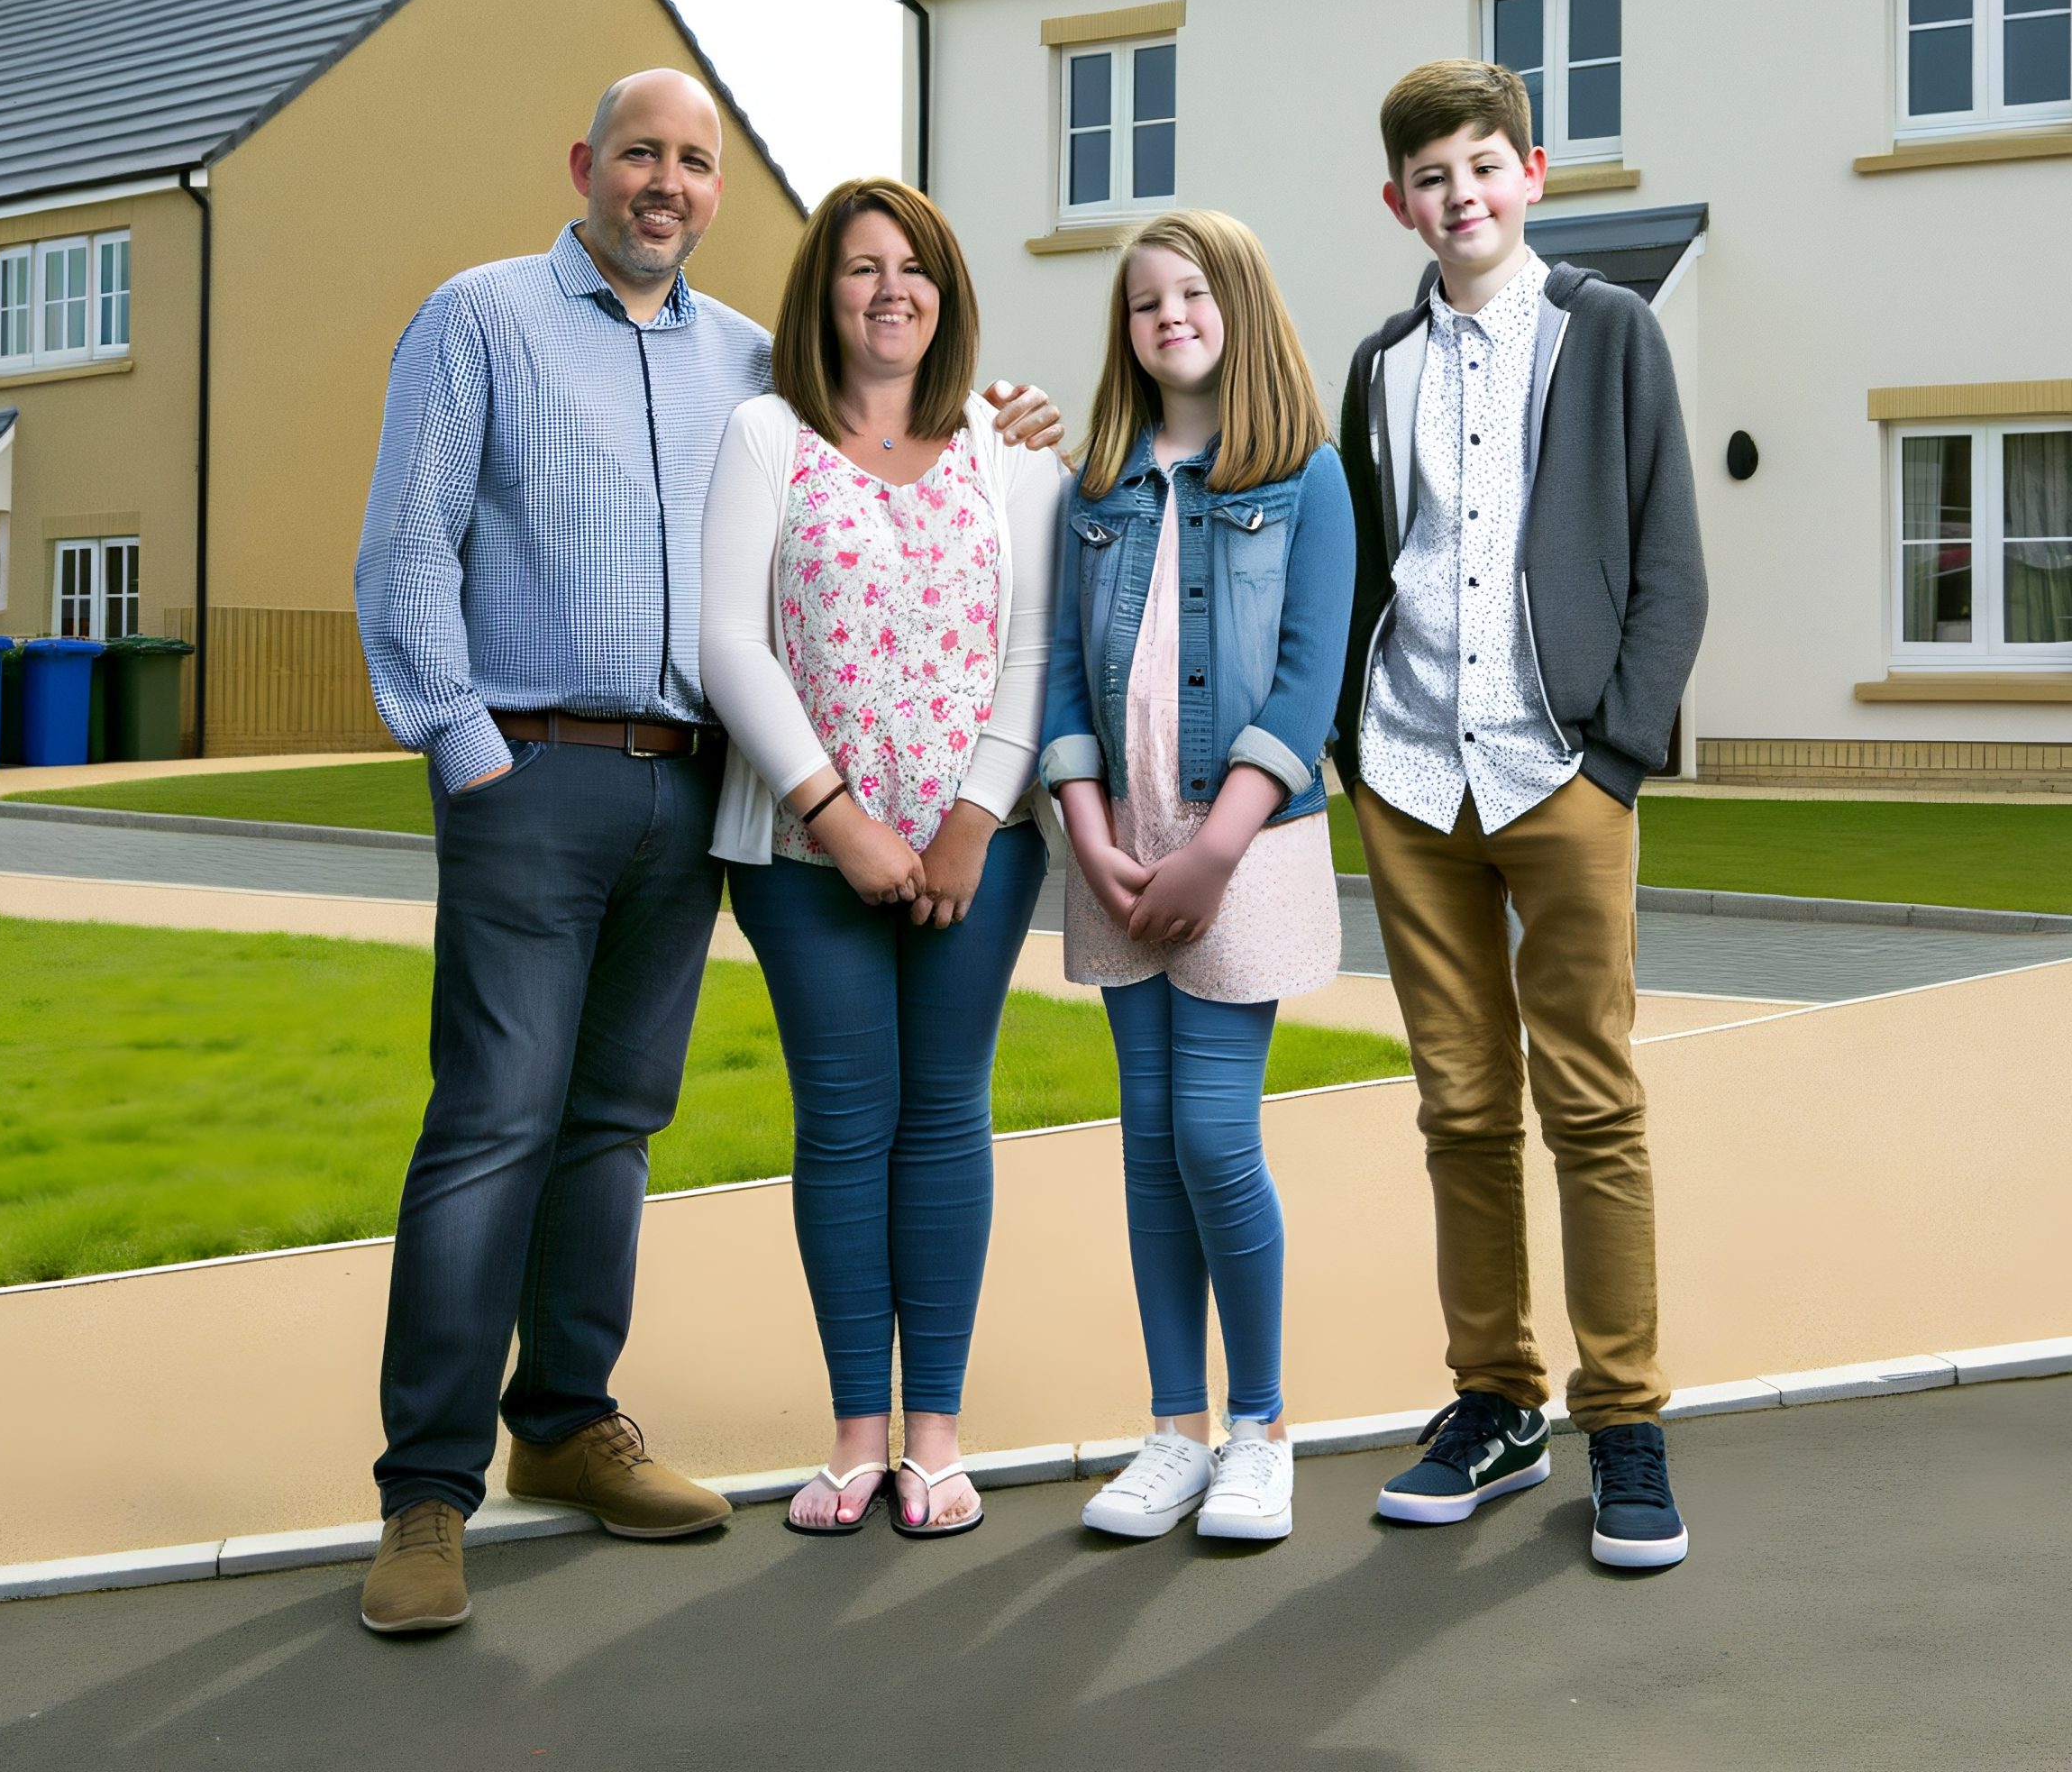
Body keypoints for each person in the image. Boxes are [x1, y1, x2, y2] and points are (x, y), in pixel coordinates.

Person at [352, 78, 1059, 1633]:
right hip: (528, 770)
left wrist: (1006, 424)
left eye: (694, 163)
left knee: (614, 1120)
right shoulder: (479, 319)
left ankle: (569, 1425)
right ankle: (425, 1493)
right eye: (640, 155)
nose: (663, 184)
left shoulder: (755, 360)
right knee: (492, 1121)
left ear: (716, 189)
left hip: (689, 796)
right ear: (583, 163)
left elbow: (904, 424)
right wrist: (470, 754)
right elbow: (405, 550)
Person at [1334, 59, 1706, 1570]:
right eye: (1432, 177)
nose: (1461, 195)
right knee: (1462, 1108)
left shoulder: (1610, 333)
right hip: (1415, 779)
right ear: (1400, 202)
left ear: (1532, 174)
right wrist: (1359, 747)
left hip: (1563, 773)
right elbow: (1373, 558)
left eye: (1484, 166)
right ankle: (1495, 1399)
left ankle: (1627, 1422)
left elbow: (1668, 555)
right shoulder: (1378, 365)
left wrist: (1614, 752)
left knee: (1594, 1104)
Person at [698, 176, 1066, 1540]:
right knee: (847, 1124)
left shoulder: (1006, 443)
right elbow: (730, 639)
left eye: (913, 267)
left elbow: (1033, 645)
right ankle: (858, 1434)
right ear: (823, 295)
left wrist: (972, 816)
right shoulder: (763, 437)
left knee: (945, 1114)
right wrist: (837, 816)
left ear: (947, 292)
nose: (888, 289)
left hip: (983, 853)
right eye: (860, 268)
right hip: (807, 859)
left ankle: (939, 1438)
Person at [1039, 211, 1353, 1545]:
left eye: (1191, 291)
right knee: (1151, 1145)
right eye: (1142, 302)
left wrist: (1217, 845)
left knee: (1216, 1137)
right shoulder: (1095, 484)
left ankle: (1261, 1429)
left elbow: (1307, 674)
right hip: (1119, 853)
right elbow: (1062, 665)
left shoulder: (1306, 475)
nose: (1167, 315)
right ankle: (1174, 1430)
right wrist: (1086, 828)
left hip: (1248, 851)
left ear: (1238, 304)